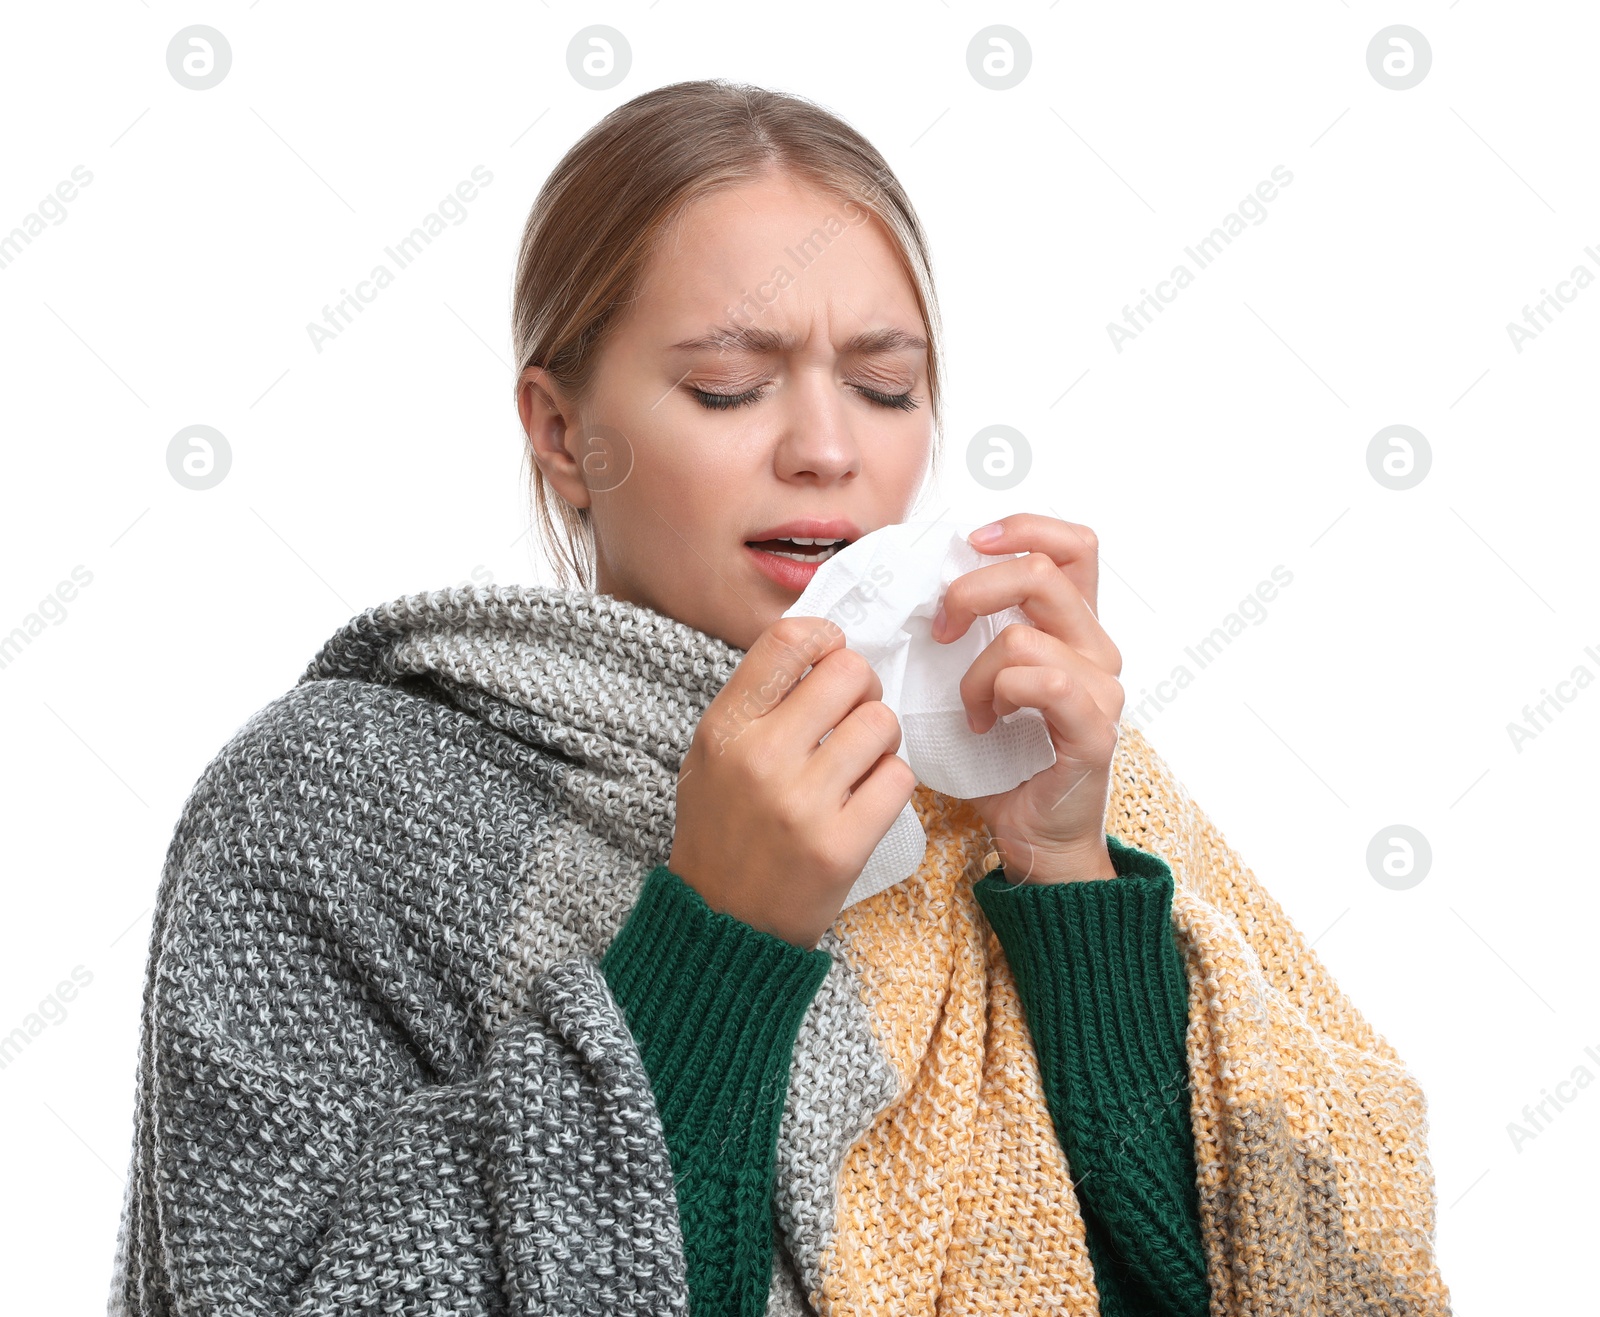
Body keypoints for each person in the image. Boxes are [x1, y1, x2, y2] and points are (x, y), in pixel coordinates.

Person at [109, 79, 1453, 1316]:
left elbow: (1290, 1277)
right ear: (561, 433)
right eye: (730, 386)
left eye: (886, 387)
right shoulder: (330, 811)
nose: (826, 449)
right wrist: (719, 939)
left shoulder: (1032, 763)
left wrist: (1070, 883)